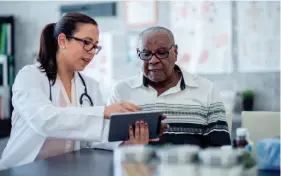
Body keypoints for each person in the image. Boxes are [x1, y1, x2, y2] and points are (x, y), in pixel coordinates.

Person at [0, 12, 156, 170]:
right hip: (23, 169)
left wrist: (127, 142)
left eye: (95, 46)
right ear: (62, 41)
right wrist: (103, 111)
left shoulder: (90, 86)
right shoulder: (29, 77)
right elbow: (44, 121)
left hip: (68, 168)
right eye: (87, 42)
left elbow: (95, 136)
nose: (92, 52)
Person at [107, 26, 231, 147]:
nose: (153, 60)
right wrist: (128, 145)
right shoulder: (121, 91)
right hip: (137, 166)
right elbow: (105, 143)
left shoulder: (206, 89)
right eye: (146, 54)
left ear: (175, 53)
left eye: (161, 53)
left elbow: (219, 148)